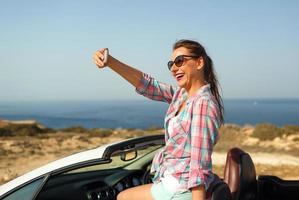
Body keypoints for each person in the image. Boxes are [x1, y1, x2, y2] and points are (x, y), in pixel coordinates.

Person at [93, 39, 224, 200]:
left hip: (181, 188)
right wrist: (110, 62)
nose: (174, 68)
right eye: (171, 64)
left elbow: (199, 166)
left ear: (199, 62)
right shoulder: (181, 95)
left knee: (123, 197)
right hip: (170, 179)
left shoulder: (203, 104)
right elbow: (148, 85)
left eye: (180, 61)